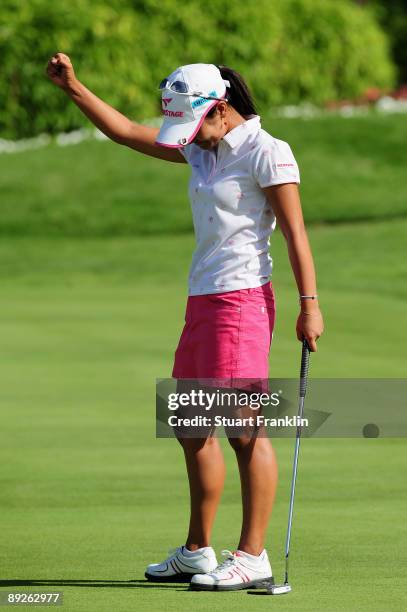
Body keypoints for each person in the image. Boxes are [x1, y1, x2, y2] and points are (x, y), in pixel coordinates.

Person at [47, 56, 324, 591]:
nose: (188, 137)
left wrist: (309, 303)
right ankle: (198, 550)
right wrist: (75, 87)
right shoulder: (204, 149)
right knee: (192, 426)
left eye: (195, 124)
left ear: (221, 109)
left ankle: (253, 555)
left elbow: (295, 234)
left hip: (243, 303)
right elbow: (128, 131)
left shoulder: (268, 152)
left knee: (244, 430)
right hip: (202, 301)